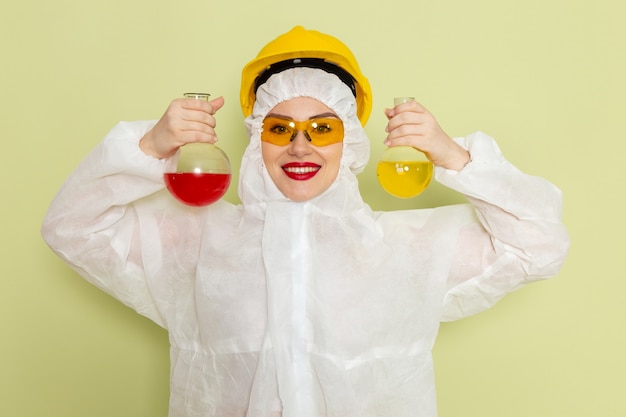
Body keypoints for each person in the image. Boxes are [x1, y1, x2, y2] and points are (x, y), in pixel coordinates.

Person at [41, 25, 569, 417]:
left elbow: (540, 244)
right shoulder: (197, 239)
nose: (300, 145)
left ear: (350, 141)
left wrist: (451, 155)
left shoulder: (407, 249)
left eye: (321, 128)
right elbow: (70, 227)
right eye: (279, 128)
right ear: (255, 139)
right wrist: (151, 146)